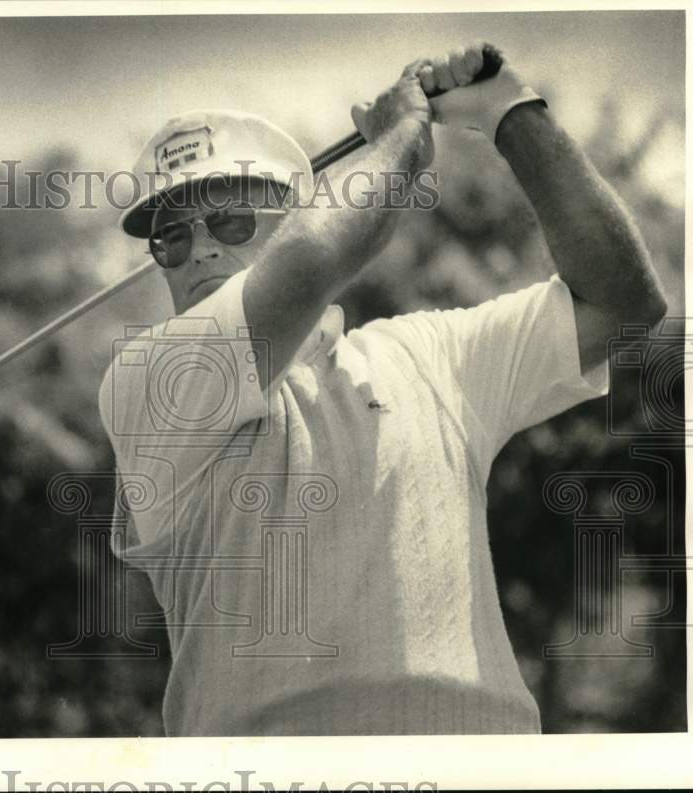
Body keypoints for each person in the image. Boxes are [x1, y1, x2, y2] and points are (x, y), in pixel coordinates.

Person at [97, 42, 667, 736]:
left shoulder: (429, 353)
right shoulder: (148, 377)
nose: (202, 251)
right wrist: (403, 136)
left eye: (230, 220)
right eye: (172, 240)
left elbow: (624, 301)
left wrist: (509, 114)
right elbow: (308, 266)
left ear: (297, 210)